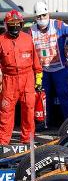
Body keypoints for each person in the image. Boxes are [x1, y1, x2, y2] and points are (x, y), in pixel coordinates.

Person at [30, 2, 68, 125]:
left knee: (64, 96)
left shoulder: (57, 25)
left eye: (44, 15)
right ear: (35, 17)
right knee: (43, 98)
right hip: (42, 70)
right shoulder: (32, 30)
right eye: (39, 16)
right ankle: (45, 123)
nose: (42, 18)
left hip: (60, 69)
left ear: (48, 14)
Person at [0, 10, 42, 144]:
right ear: (7, 25)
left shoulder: (28, 39)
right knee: (5, 112)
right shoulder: (1, 40)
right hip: (8, 80)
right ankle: (3, 143)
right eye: (12, 24)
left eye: (18, 24)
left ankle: (27, 142)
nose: (15, 27)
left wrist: (39, 78)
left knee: (29, 112)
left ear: (22, 24)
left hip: (27, 79)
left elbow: (36, 61)